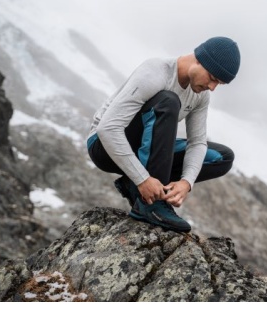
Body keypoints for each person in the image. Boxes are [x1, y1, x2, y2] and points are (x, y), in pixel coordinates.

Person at [87, 36, 240, 233]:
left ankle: (132, 184)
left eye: (219, 83)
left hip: (144, 148)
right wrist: (143, 179)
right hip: (103, 146)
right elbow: (107, 128)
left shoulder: (201, 95)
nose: (212, 87)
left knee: (222, 157)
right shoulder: (156, 72)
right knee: (168, 101)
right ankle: (150, 204)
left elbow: (197, 143)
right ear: (199, 60)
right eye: (212, 78)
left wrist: (186, 182)